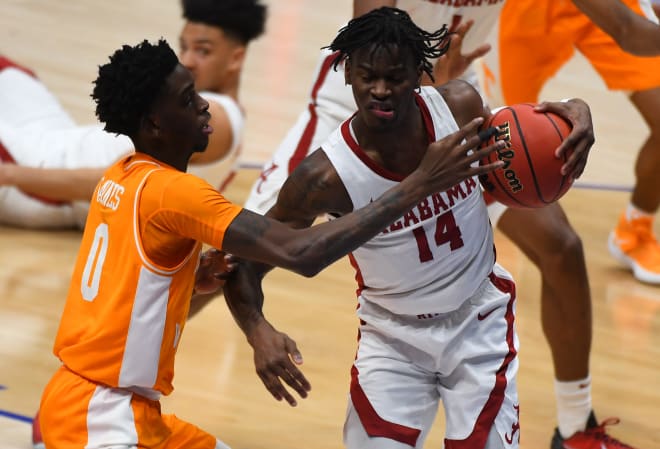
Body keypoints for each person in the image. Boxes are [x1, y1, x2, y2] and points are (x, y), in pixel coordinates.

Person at [36, 36, 504, 449]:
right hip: (102, 416)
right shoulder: (177, 193)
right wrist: (418, 184)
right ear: (154, 123)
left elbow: (129, 270)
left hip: (105, 405)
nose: (205, 106)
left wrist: (189, 277)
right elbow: (302, 252)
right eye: (188, 99)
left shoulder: (120, 177)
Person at [242, 1, 631, 448]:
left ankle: (578, 427)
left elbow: (523, 131)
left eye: (395, 78)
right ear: (348, 72)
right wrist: (257, 329)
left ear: (417, 75)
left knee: (561, 245)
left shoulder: (458, 108)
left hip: (477, 323)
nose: (382, 90)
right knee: (217, 258)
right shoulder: (323, 178)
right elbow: (264, 260)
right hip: (392, 338)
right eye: (370, 77)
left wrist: (571, 111)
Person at [0, 0, 265, 229]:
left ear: (235, 58)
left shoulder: (211, 118)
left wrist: (11, 175)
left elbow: (114, 185)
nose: (188, 60)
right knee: (9, 72)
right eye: (184, 47)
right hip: (57, 137)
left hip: (41, 180)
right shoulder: (222, 115)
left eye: (203, 51)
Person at [481, 0, 660, 290]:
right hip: (525, 11)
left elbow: (629, 29)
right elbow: (628, 31)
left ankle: (635, 234)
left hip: (611, 6)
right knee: (503, 141)